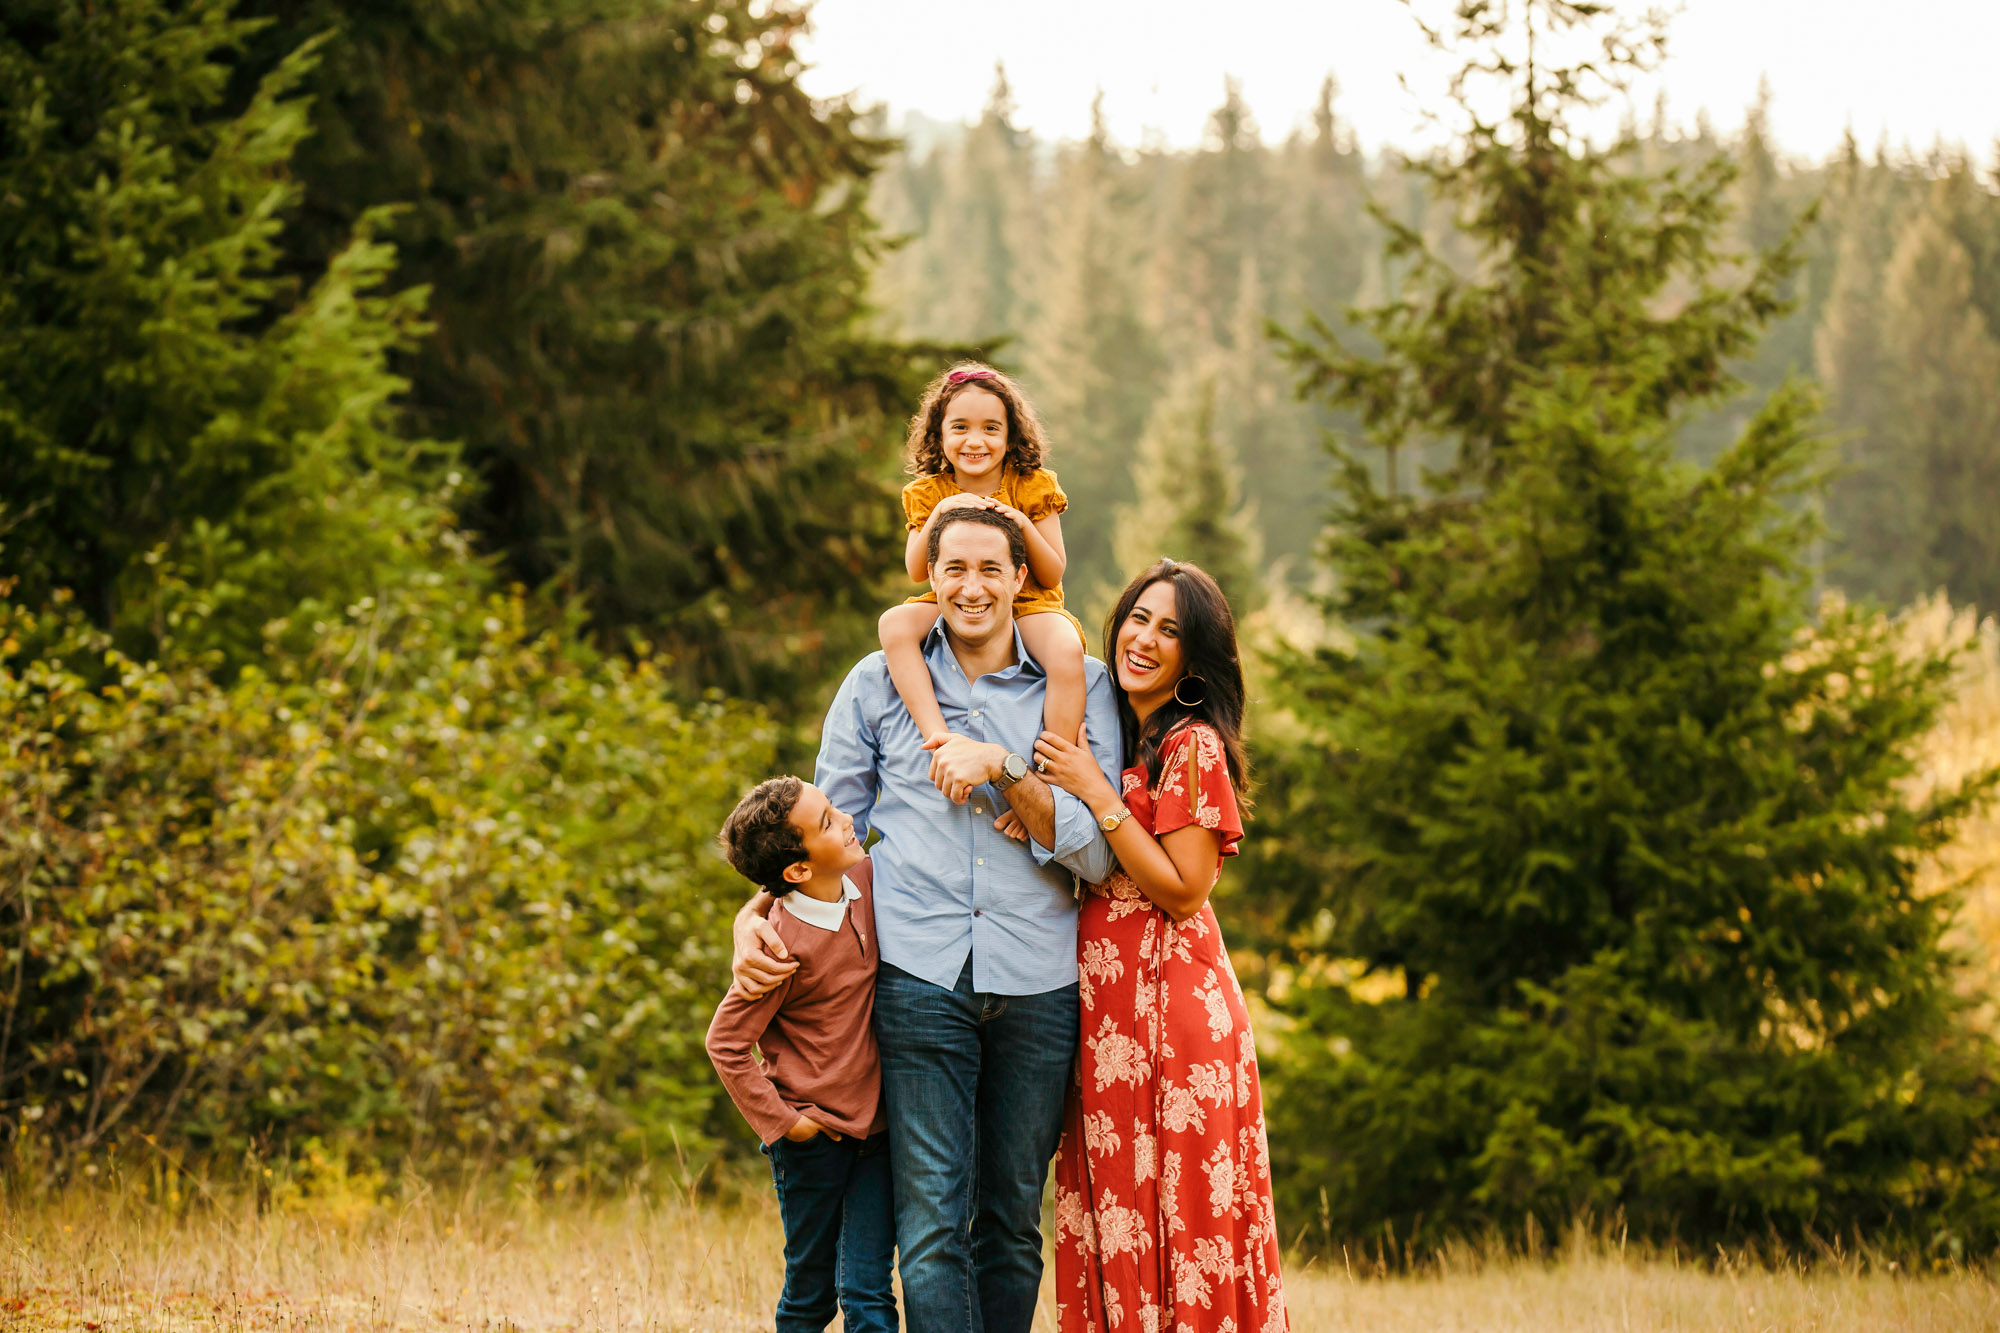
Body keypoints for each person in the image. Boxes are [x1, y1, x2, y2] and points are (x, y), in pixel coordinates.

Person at [731, 505, 1124, 1333]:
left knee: (1012, 1222)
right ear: (930, 577)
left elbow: (1098, 855)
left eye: (991, 569)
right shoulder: (875, 683)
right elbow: (820, 836)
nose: (972, 586)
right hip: (917, 978)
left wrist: (1008, 769)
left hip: (1039, 980)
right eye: (955, 569)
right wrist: (755, 911)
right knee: (932, 1225)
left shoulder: (1080, 684)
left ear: (1023, 578)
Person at [1031, 558, 1290, 1333]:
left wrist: (1098, 794)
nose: (1144, 638)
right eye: (1138, 618)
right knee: (1115, 1206)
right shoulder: (1113, 731)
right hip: (1107, 1019)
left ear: (1194, 656)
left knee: (1187, 1217)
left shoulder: (1193, 746)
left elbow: (1184, 889)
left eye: (1170, 628)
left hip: (1173, 1013)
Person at [704, 777, 895, 1333]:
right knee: (811, 1294)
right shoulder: (779, 947)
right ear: (799, 871)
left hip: (877, 1134)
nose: (846, 821)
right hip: (812, 1143)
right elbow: (726, 1043)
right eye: (829, 822)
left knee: (869, 1292)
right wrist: (786, 1126)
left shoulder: (863, 878)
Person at [880, 363, 1087, 787]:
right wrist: (941, 512)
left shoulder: (1032, 485)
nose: (975, 441)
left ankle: (1049, 776)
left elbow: (1052, 573)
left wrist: (1020, 522)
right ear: (939, 435)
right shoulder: (931, 492)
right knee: (894, 624)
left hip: (1028, 605)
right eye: (960, 428)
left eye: (991, 428)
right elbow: (917, 570)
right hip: (957, 603)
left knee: (1066, 651)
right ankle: (938, 734)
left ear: (1010, 435)